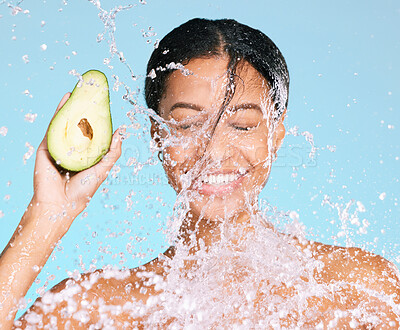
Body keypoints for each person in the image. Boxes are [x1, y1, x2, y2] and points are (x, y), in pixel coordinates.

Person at [1, 18, 399, 329]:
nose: (214, 151)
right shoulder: (98, 308)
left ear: (275, 137)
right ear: (158, 135)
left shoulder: (356, 288)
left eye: (242, 124)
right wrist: (47, 214)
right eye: (187, 125)